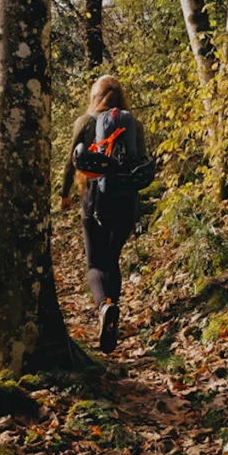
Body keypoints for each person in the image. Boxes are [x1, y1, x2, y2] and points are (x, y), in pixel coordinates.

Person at [61, 74, 146, 353]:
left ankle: (104, 306)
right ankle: (113, 314)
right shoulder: (134, 125)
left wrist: (64, 195)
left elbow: (70, 163)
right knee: (112, 260)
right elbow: (141, 164)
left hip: (94, 199)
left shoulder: (85, 122)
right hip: (126, 201)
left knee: (95, 264)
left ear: (95, 96)